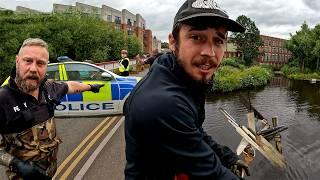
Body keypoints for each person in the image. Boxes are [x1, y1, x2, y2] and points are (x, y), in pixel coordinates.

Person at [124, 0, 250, 179]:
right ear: (173, 42)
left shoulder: (175, 71)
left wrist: (226, 157)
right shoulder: (163, 104)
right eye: (197, 37)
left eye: (218, 40)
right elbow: (212, 174)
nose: (210, 52)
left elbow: (193, 130)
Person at [0, 38, 104, 180]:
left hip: (51, 172)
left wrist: (91, 87)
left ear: (46, 66)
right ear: (17, 61)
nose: (33, 69)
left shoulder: (48, 87)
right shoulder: (3, 99)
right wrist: (15, 163)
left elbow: (71, 86)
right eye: (28, 61)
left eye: (40, 63)